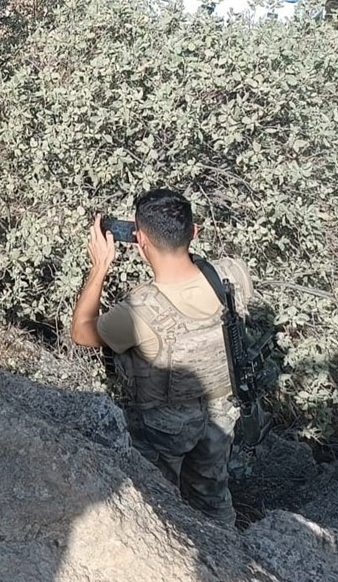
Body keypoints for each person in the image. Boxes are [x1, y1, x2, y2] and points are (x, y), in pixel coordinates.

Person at [70, 188, 253, 528]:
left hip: (163, 426)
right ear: (194, 232)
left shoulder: (141, 311)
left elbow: (81, 332)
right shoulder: (233, 274)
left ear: (140, 241)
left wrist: (100, 267)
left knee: (154, 500)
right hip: (222, 414)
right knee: (212, 501)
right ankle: (228, 551)